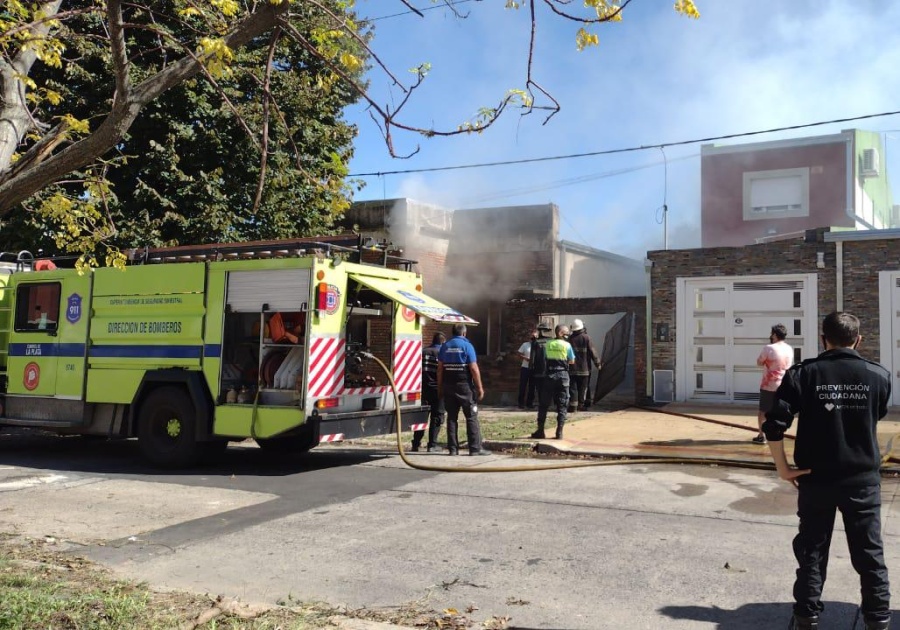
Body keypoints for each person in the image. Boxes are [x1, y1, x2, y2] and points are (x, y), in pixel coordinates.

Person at [763, 312, 891, 630]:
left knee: (812, 548)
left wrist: (783, 468)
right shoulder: (879, 375)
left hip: (815, 477)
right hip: (862, 480)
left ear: (824, 340)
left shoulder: (804, 374)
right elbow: (876, 414)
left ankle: (806, 615)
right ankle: (878, 618)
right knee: (869, 551)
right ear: (858, 340)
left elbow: (774, 425)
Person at [438, 323, 490, 456]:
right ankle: (474, 449)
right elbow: (473, 368)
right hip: (464, 386)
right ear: (464, 333)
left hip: (448, 385)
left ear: (453, 332)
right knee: (471, 416)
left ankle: (453, 449)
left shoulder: (445, 346)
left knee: (451, 417)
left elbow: (440, 369)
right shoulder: (467, 346)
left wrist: (440, 388)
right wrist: (480, 388)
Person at [532, 324, 575, 440]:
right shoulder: (567, 345)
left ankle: (540, 431)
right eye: (566, 333)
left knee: (544, 404)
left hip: (550, 376)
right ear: (560, 333)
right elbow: (572, 361)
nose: (568, 335)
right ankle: (559, 432)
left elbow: (544, 358)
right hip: (563, 376)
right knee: (562, 405)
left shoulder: (548, 344)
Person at [753, 323, 794, 444]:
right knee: (779, 411)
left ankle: (762, 436)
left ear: (774, 335)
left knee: (763, 412)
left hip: (769, 385)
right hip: (784, 384)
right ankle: (777, 434)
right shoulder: (789, 348)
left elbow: (759, 362)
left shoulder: (769, 348)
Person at [412, 331, 446, 452]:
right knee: (437, 417)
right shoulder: (442, 353)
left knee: (421, 416)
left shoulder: (423, 351)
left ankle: (415, 443)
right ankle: (432, 444)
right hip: (437, 390)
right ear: (443, 342)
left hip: (422, 389)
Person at [567, 319, 601, 413]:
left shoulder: (569, 339)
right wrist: (598, 364)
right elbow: (593, 352)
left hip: (571, 369)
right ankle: (581, 406)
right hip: (584, 369)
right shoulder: (586, 338)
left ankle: (573, 407)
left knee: (573, 388)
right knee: (583, 388)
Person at [528, 320, 553, 436]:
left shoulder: (535, 343)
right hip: (550, 373)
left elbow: (532, 360)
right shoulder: (553, 342)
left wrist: (530, 371)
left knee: (540, 396)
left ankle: (541, 427)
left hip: (538, 374)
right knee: (548, 394)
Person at [516, 329, 538, 409]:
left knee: (532, 386)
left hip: (534, 368)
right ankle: (521, 403)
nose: (533, 337)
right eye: (532, 335)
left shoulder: (538, 345)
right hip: (525, 367)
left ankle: (530, 403)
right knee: (523, 385)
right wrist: (525, 358)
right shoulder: (525, 345)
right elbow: (519, 353)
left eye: (535, 336)